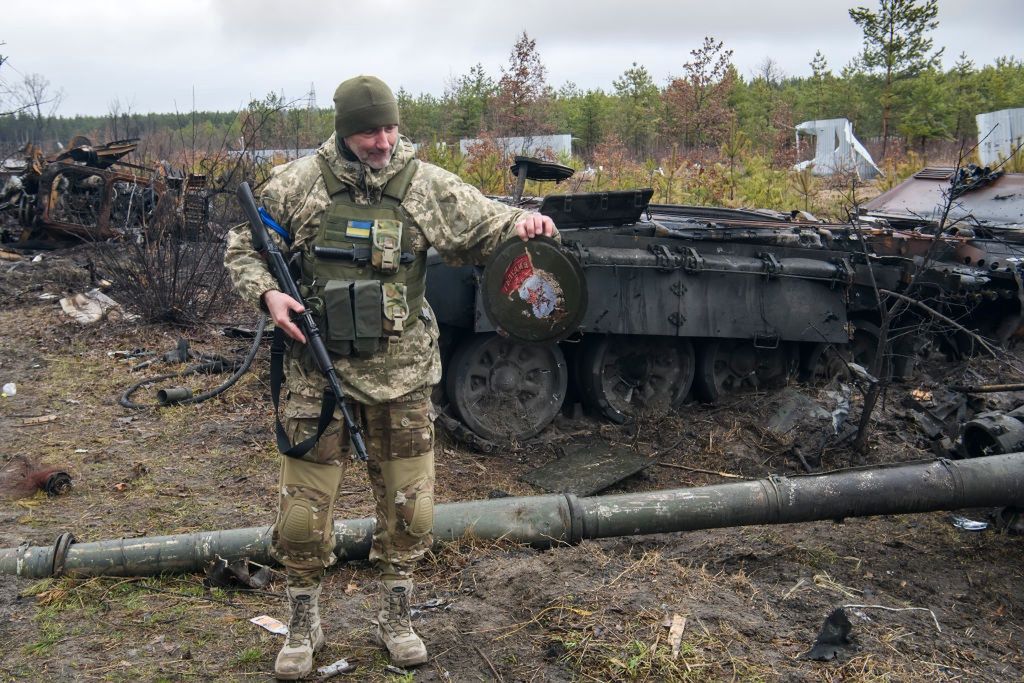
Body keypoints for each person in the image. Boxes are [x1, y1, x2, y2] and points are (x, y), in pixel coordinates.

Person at [224, 75, 556, 680]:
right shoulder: (298, 185)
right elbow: (242, 246)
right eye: (368, 129)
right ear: (343, 129)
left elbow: (484, 225)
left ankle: (397, 616)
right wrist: (268, 293)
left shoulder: (425, 186)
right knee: (302, 517)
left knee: (412, 512)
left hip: (401, 378)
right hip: (316, 379)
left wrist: (523, 225)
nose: (381, 140)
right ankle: (303, 621)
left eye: (389, 127)